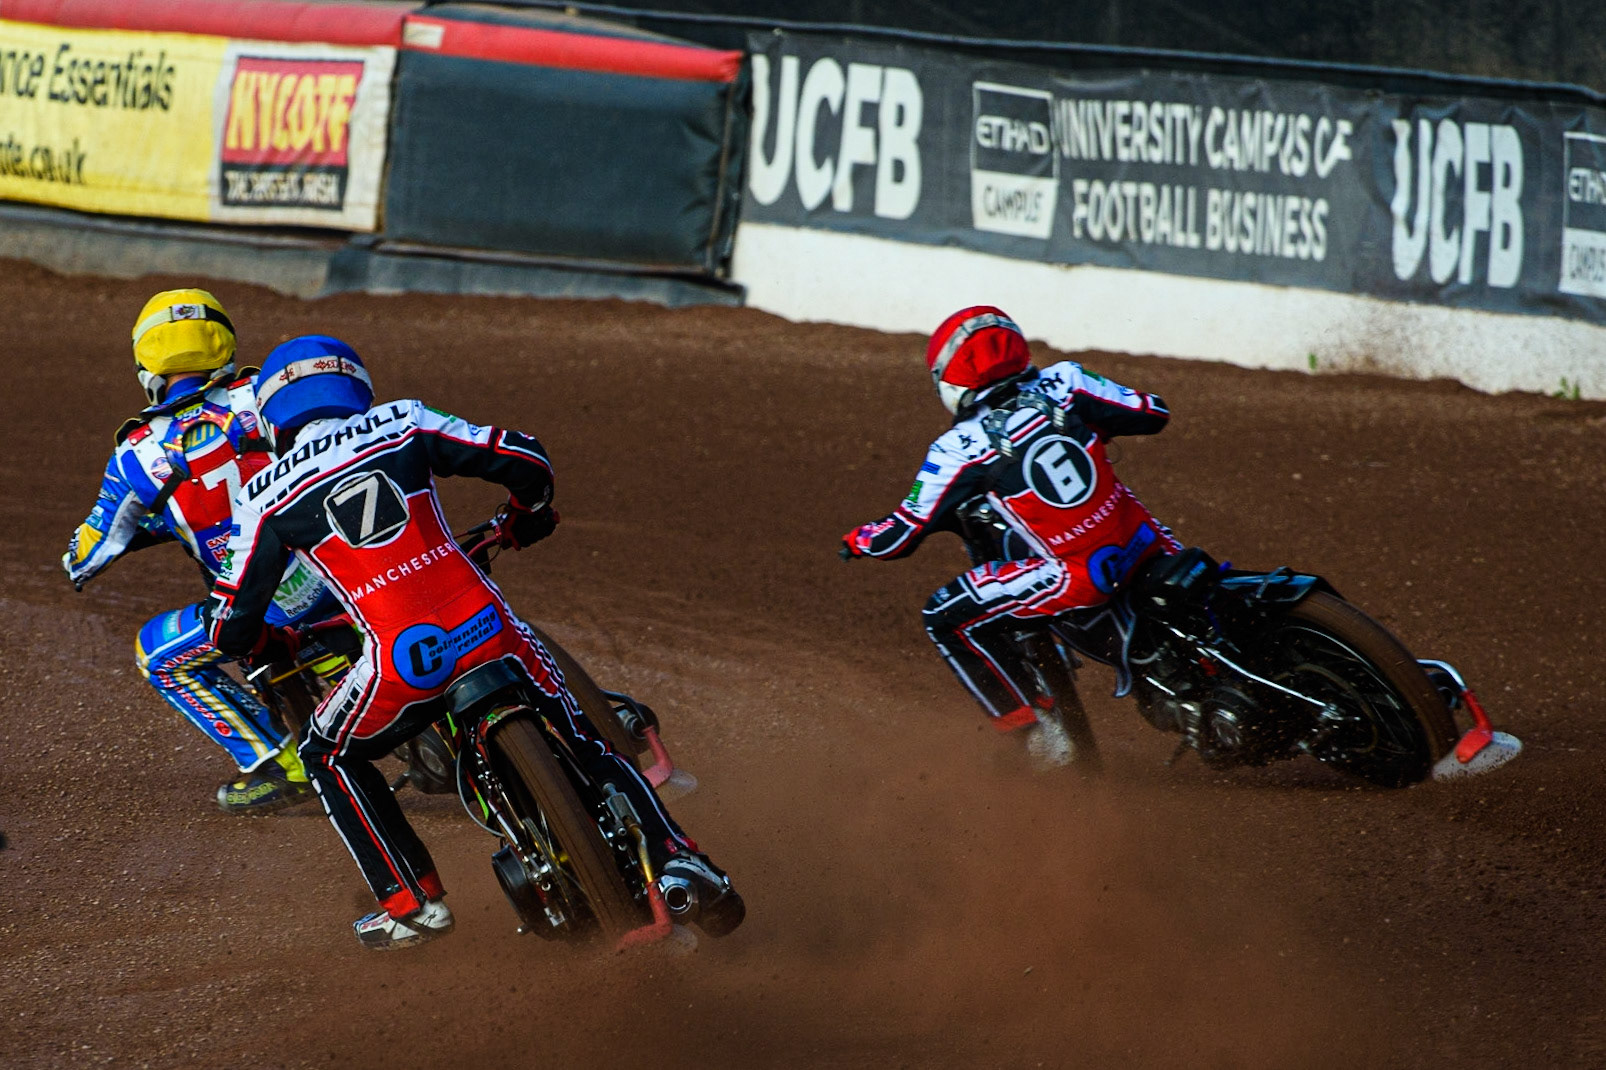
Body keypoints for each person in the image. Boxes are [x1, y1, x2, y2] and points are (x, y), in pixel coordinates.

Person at [204, 335, 743, 950]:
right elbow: (523, 456)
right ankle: (678, 860)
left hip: (399, 662)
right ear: (355, 387)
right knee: (585, 733)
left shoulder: (262, 497)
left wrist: (262, 641)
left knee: (327, 753)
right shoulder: (402, 421)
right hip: (490, 628)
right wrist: (530, 511)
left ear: (270, 414)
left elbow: (231, 622)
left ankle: (412, 903)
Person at [841, 306, 1177, 765]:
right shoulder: (1069, 381)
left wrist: (860, 539)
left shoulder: (957, 448)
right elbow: (1152, 411)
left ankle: (1040, 734)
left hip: (1079, 574)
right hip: (1145, 540)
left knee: (944, 615)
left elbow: (897, 537)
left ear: (950, 380)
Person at [63, 289, 338, 813]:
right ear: (223, 342)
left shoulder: (137, 454)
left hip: (260, 602)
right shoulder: (267, 392)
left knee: (158, 654)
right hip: (344, 568)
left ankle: (276, 762)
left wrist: (77, 557)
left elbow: (90, 554)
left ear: (147, 364)